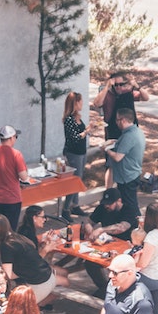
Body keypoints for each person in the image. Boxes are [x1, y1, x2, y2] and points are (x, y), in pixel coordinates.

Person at [0, 214, 68, 313]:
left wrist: (22, 271)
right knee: (65, 281)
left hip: (39, 283)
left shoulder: (6, 246)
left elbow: (8, 275)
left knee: (17, 312)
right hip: (48, 276)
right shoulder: (18, 237)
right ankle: (42, 305)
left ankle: (38, 307)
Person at [93, 71, 149, 188]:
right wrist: (107, 86)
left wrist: (137, 86)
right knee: (111, 165)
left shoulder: (127, 93)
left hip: (128, 133)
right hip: (113, 133)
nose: (118, 87)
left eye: (121, 84)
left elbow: (145, 97)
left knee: (127, 161)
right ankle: (109, 191)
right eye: (115, 85)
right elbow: (97, 103)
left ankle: (125, 185)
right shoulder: (107, 95)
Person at [82, 188, 139, 296]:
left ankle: (116, 289)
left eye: (110, 203)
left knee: (116, 267)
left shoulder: (129, 210)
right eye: (105, 203)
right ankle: (105, 288)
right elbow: (89, 220)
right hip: (106, 245)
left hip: (126, 246)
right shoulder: (102, 208)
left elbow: (122, 227)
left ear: (119, 201)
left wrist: (101, 229)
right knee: (90, 263)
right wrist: (88, 226)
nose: (107, 206)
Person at [0, 125, 29, 234]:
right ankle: (8, 250)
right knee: (10, 231)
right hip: (12, 198)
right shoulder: (16, 154)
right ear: (11, 138)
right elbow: (23, 176)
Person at [104, 108, 146, 217]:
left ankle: (136, 226)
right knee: (129, 203)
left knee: (130, 205)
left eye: (117, 120)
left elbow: (118, 157)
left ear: (122, 120)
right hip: (132, 173)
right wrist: (117, 142)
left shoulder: (129, 136)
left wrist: (106, 150)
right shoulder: (136, 131)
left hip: (127, 177)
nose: (116, 122)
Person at [17, 205, 70, 284]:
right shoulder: (28, 235)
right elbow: (35, 260)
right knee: (65, 281)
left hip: (30, 268)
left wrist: (45, 242)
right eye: (42, 217)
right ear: (34, 218)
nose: (44, 220)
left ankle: (48, 291)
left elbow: (34, 252)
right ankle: (44, 294)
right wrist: (46, 249)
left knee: (65, 272)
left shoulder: (24, 229)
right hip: (30, 273)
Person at [61, 91, 91, 221]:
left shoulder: (78, 117)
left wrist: (86, 131)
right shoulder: (69, 120)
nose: (82, 103)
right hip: (73, 153)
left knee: (79, 179)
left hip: (81, 152)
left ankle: (75, 204)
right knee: (74, 181)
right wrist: (86, 132)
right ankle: (66, 208)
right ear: (74, 103)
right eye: (80, 101)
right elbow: (74, 137)